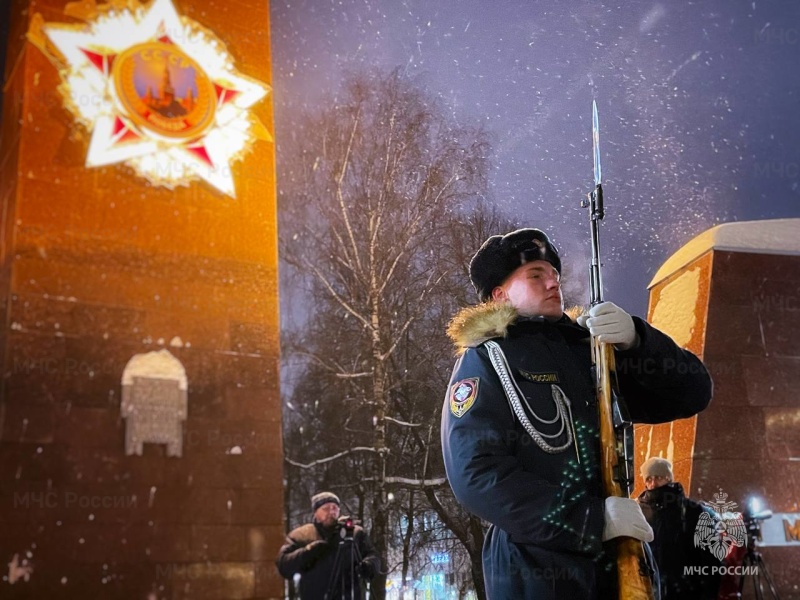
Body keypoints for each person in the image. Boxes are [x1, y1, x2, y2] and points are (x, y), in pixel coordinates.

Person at [440, 228, 713, 599]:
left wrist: (638, 340)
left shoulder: (590, 352)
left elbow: (693, 392)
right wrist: (590, 519)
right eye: (536, 275)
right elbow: (476, 475)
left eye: (554, 274)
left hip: (618, 564)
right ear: (499, 295)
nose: (553, 282)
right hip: (534, 572)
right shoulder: (486, 360)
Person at [637, 457, 722, 599]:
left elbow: (711, 560)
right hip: (650, 591)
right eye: (648, 479)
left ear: (668, 478)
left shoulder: (693, 511)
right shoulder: (638, 511)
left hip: (685, 591)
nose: (653, 484)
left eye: (658, 477)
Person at [276, 491, 380, 600]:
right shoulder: (302, 535)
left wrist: (369, 565)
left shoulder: (354, 534)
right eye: (325, 508)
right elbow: (283, 565)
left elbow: (373, 555)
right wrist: (308, 551)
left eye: (334, 508)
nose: (331, 512)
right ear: (315, 512)